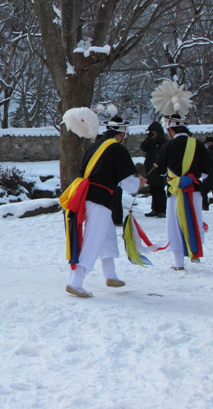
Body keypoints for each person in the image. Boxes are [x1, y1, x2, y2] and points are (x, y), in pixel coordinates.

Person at [64, 117, 146, 298]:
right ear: (122, 134)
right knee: (94, 238)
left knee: (107, 235)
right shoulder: (117, 148)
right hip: (99, 199)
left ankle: (111, 275)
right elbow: (128, 183)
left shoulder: (96, 145)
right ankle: (75, 282)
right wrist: (138, 181)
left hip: (87, 195)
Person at [156, 115, 213, 270]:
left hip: (174, 191)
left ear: (170, 129)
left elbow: (161, 171)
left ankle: (178, 263)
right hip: (194, 190)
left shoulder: (166, 146)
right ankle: (195, 253)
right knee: (195, 220)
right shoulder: (198, 145)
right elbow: (207, 171)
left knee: (174, 225)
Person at [140, 121, 168, 218]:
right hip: (150, 167)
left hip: (159, 168)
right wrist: (149, 139)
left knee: (159, 189)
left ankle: (162, 209)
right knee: (153, 188)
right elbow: (143, 147)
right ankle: (155, 208)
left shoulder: (163, 141)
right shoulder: (151, 141)